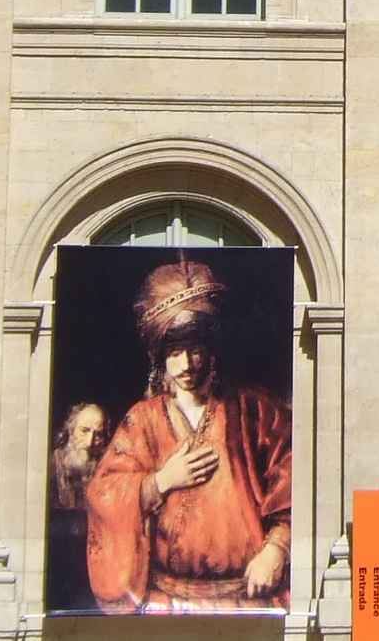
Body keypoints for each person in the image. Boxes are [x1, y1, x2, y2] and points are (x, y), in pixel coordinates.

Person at [86, 260, 293, 612]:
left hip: (249, 598)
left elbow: (293, 482)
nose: (186, 365)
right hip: (166, 602)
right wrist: (159, 482)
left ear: (211, 352)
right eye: (175, 353)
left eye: (195, 350)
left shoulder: (255, 410)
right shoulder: (143, 420)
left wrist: (277, 548)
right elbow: (102, 493)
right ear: (161, 358)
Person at [45, 402, 109, 613]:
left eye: (98, 435)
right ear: (70, 430)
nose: (90, 442)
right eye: (84, 431)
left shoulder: (108, 470)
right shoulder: (52, 465)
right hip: (61, 557)